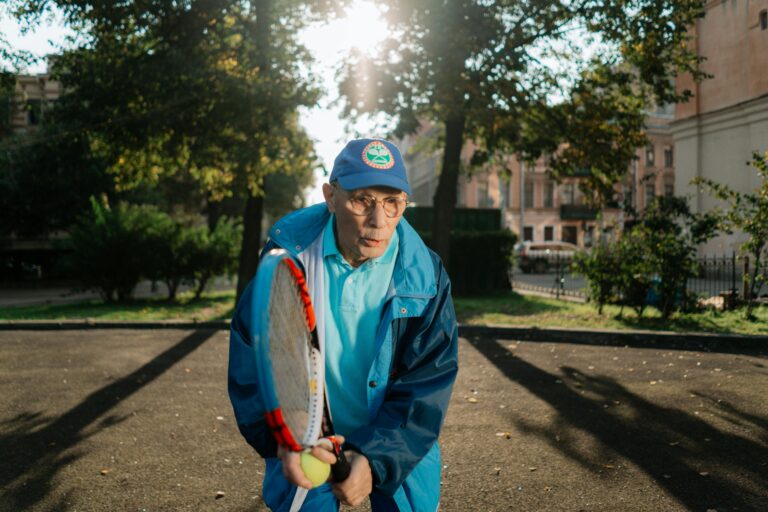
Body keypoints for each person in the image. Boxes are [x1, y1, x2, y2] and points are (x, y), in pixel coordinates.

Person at [228, 138, 459, 511]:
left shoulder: (425, 276)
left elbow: (427, 383)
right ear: (331, 197)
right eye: (362, 199)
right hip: (308, 437)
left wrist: (374, 458)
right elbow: (252, 363)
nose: (378, 221)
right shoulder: (288, 261)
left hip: (396, 432)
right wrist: (286, 438)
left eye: (392, 203)